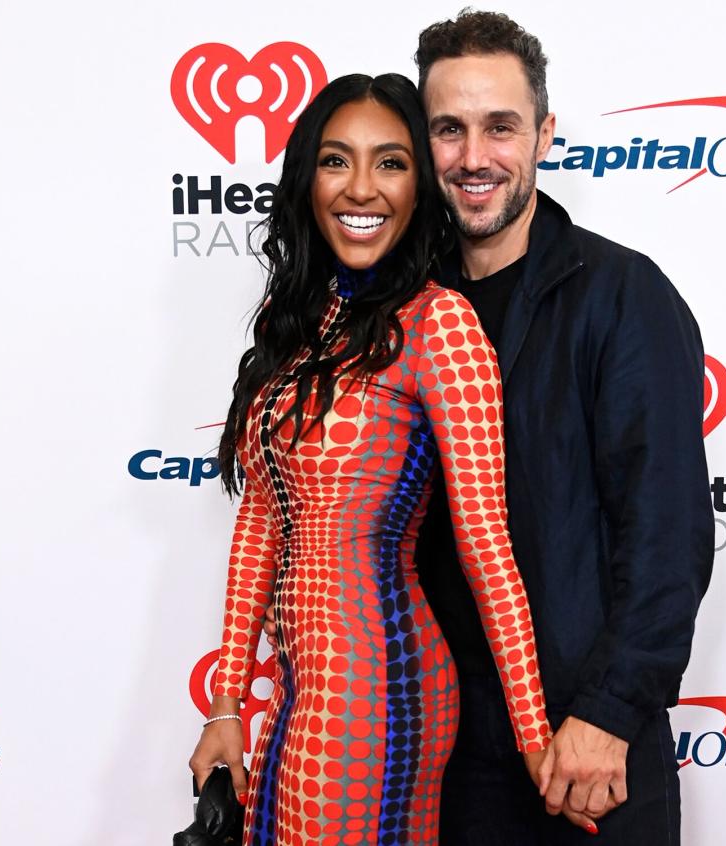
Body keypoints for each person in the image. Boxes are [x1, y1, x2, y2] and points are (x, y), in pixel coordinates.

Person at [266, 11, 714, 844]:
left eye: (500, 127)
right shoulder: (393, 309)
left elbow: (669, 533)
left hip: (584, 752)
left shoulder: (621, 296)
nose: (474, 158)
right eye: (449, 129)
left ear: (544, 134)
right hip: (440, 748)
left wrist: (607, 713)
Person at [188, 72, 552, 846]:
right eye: (335, 161)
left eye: (390, 162)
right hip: (300, 682)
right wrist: (227, 705)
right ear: (305, 180)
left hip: (375, 682)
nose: (362, 187)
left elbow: (485, 541)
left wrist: (534, 737)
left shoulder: (438, 324)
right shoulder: (296, 322)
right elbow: (260, 517)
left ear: (422, 184)